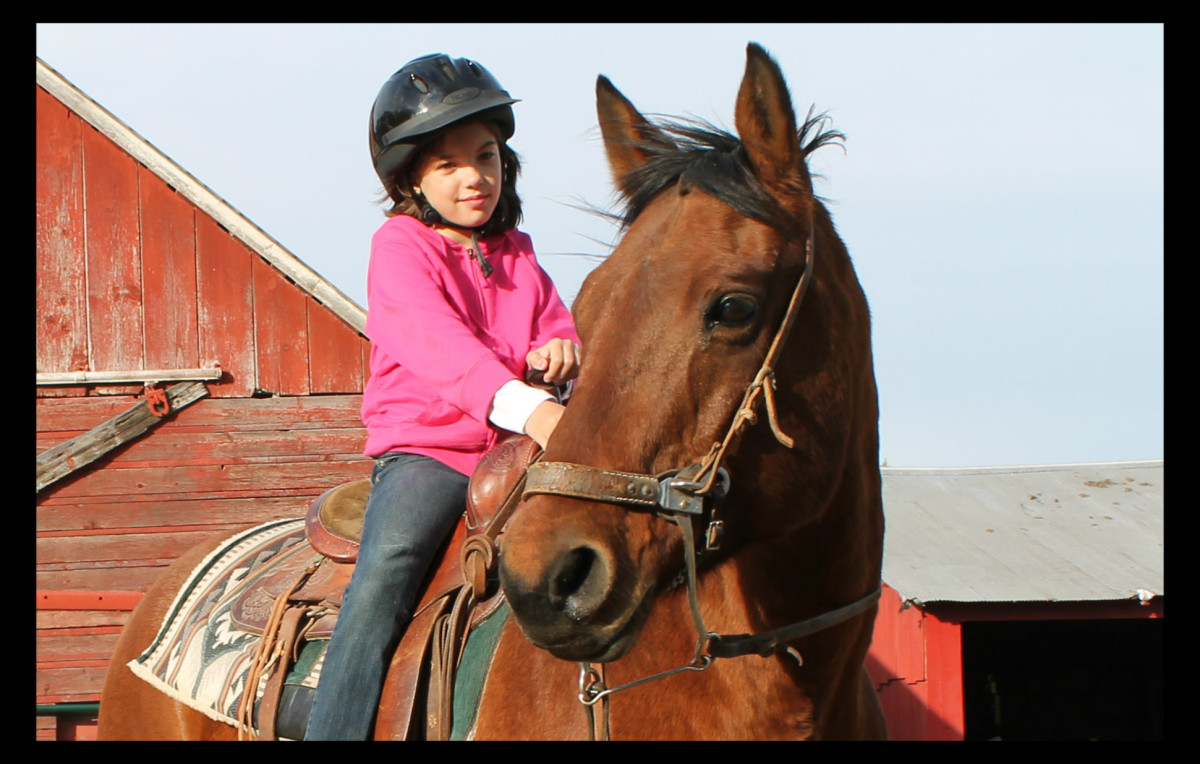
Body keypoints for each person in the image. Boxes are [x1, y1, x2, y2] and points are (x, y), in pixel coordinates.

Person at [304, 53, 581, 740]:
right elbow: (440, 352)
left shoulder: (520, 254)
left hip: (522, 451)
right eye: (449, 164)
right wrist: (538, 409)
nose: (473, 177)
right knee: (384, 580)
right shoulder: (399, 248)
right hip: (432, 454)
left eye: (485, 156)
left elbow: (557, 326)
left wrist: (563, 354)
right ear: (412, 179)